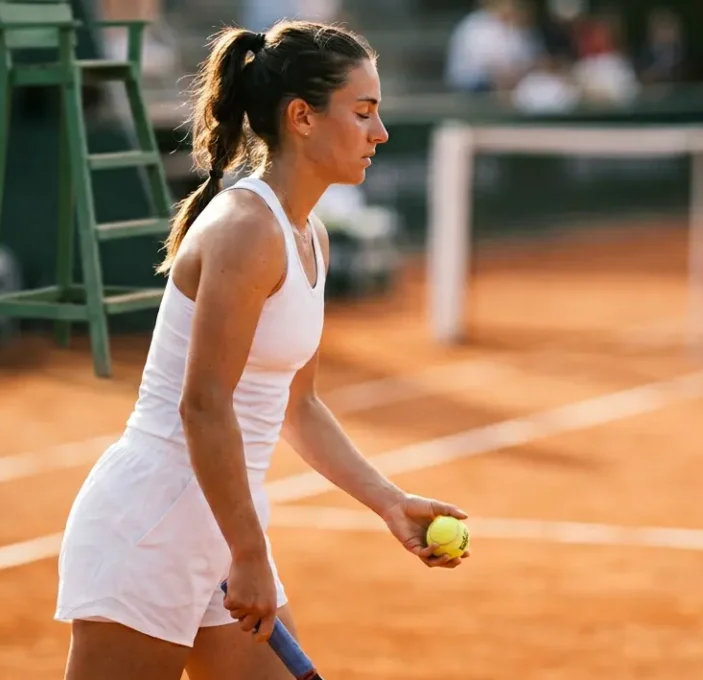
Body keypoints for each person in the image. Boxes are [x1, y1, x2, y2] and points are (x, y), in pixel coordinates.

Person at [54, 20, 471, 680]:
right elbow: (203, 405)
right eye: (363, 112)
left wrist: (388, 501)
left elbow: (298, 406)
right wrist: (247, 551)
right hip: (154, 524)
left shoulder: (310, 238)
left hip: (220, 524)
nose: (380, 133)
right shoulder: (247, 229)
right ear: (302, 117)